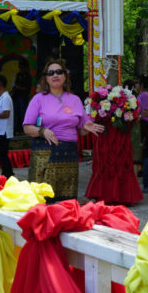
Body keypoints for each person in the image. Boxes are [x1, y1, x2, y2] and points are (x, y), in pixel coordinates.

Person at [23, 59, 104, 201]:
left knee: (65, 203)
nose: (55, 75)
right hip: (45, 154)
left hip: (68, 157)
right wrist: (43, 131)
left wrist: (86, 126)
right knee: (42, 200)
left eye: (59, 72)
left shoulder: (75, 100)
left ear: (65, 76)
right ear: (46, 78)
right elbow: (26, 127)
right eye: (51, 72)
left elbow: (82, 129)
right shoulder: (38, 99)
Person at [0, 76, 14, 177]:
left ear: (0, 85)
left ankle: (8, 173)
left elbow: (6, 114)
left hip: (4, 130)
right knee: (2, 154)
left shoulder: (5, 97)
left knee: (3, 154)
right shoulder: (1, 97)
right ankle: (6, 172)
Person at [11, 57, 34, 134]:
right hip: (16, 96)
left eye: (22, 67)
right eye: (20, 67)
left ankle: (23, 130)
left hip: (23, 97)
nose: (21, 69)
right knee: (15, 113)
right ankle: (16, 129)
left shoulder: (28, 76)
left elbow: (28, 88)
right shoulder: (18, 75)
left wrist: (19, 87)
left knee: (22, 114)